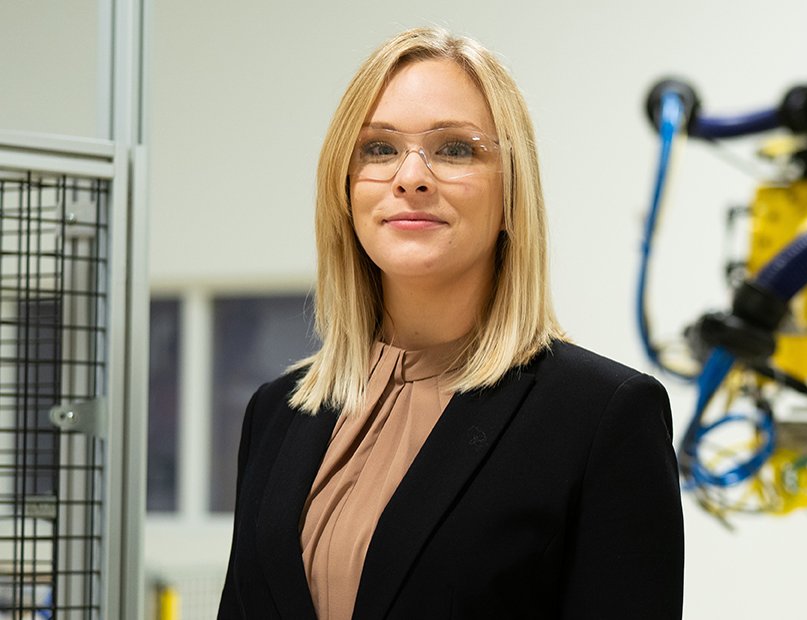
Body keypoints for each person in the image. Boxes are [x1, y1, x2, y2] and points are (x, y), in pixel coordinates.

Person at [218, 27, 684, 619]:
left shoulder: (602, 417)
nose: (410, 176)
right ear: (344, 188)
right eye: (379, 149)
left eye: (455, 149)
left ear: (512, 193)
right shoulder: (277, 413)